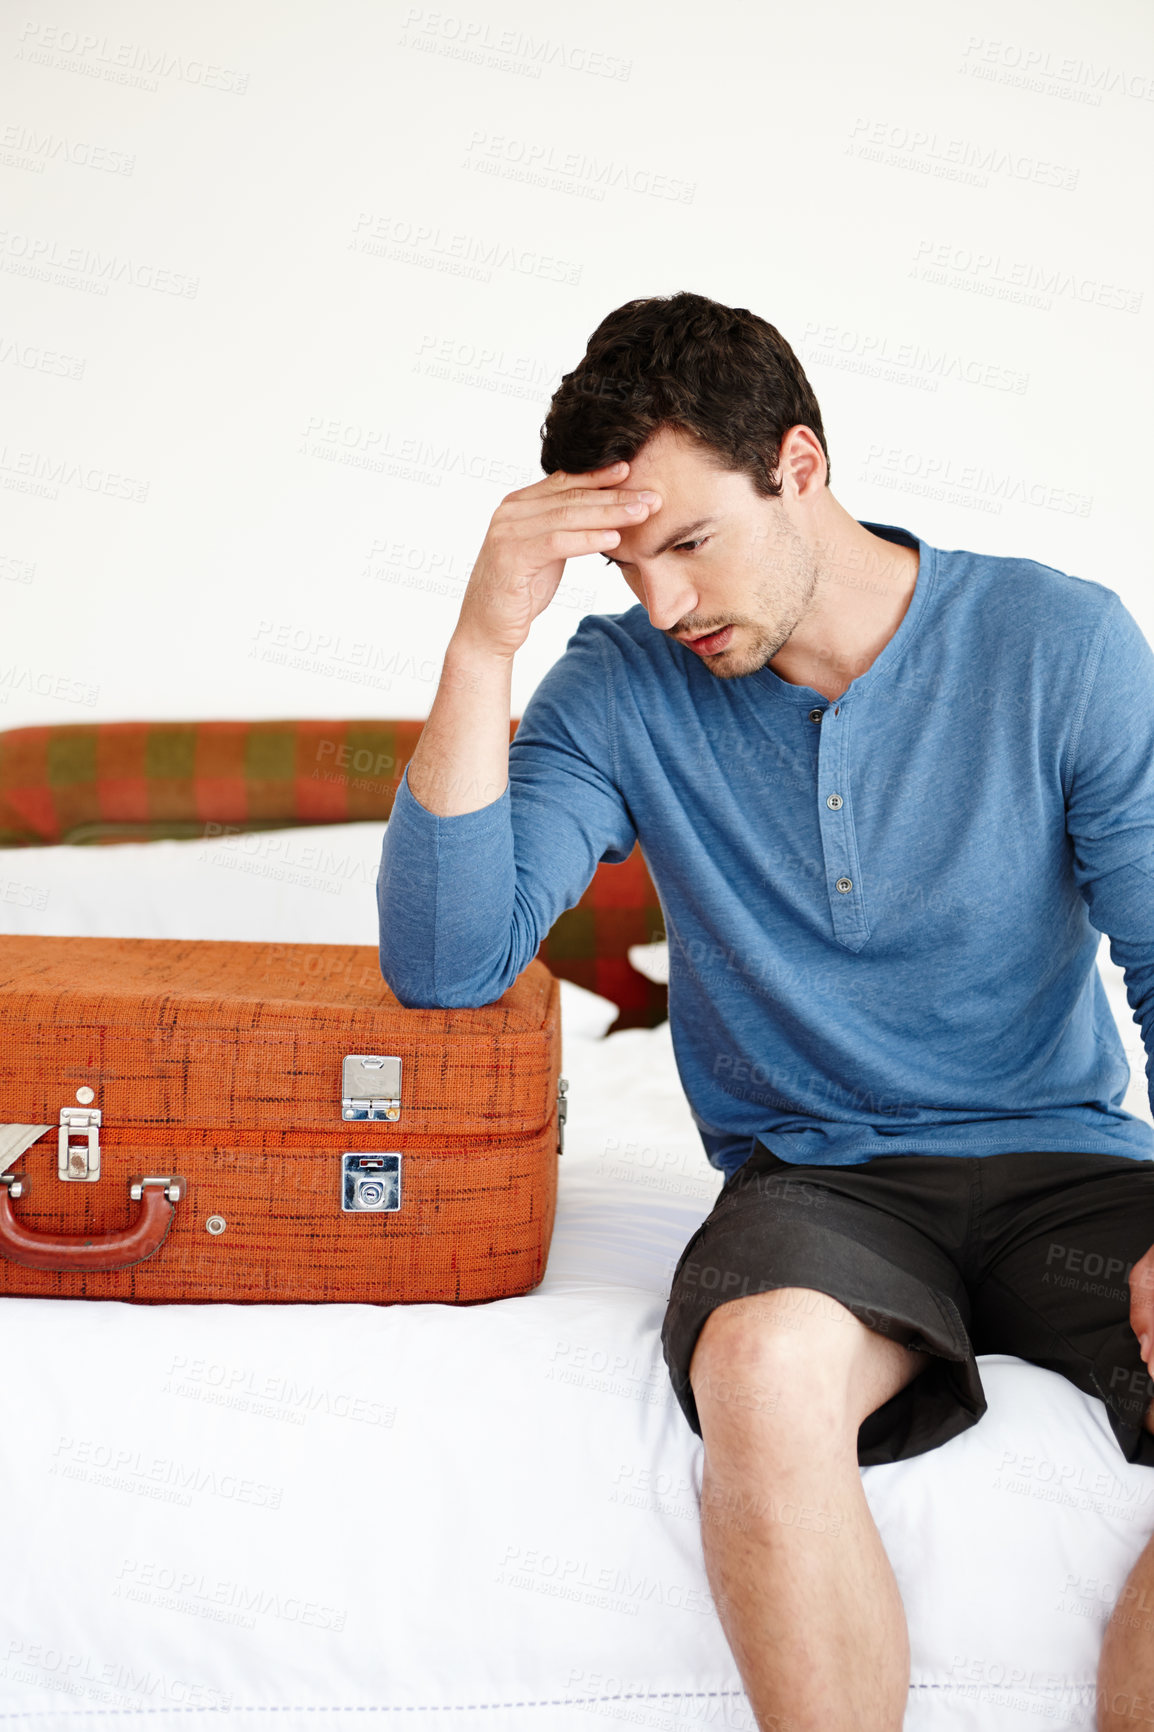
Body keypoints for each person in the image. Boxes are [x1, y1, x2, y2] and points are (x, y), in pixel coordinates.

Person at [376, 291, 1154, 1732]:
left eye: (687, 543)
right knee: (756, 1360)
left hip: (1065, 1165)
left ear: (798, 465)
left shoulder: (1061, 644)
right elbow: (447, 958)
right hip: (824, 1184)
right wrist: (484, 644)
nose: (663, 607)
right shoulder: (617, 687)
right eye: (626, 566)